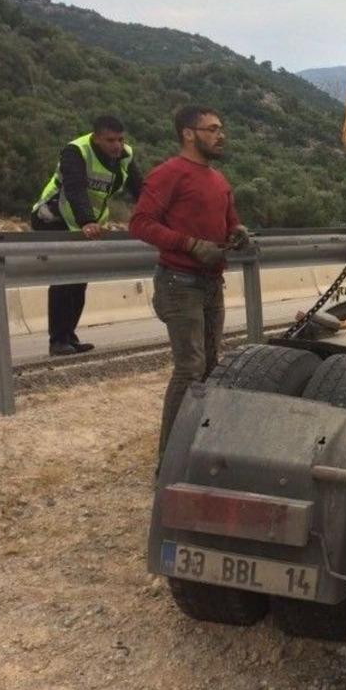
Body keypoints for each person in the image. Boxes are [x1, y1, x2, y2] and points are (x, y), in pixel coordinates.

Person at [130, 106, 249, 457]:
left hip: (211, 283)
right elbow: (140, 224)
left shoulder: (218, 179)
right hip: (179, 283)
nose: (220, 134)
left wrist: (237, 231)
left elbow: (231, 221)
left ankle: (199, 450)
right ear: (188, 133)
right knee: (190, 368)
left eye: (220, 128)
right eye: (212, 129)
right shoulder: (169, 174)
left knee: (212, 367)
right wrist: (191, 245)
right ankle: (170, 459)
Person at [30, 115, 143, 355]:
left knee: (80, 278)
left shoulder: (125, 155)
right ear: (96, 138)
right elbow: (75, 188)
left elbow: (140, 190)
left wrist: (155, 218)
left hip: (84, 223)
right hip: (53, 217)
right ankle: (58, 340)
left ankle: (69, 336)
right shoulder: (76, 151)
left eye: (121, 140)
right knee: (65, 277)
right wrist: (87, 220)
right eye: (110, 140)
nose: (117, 146)